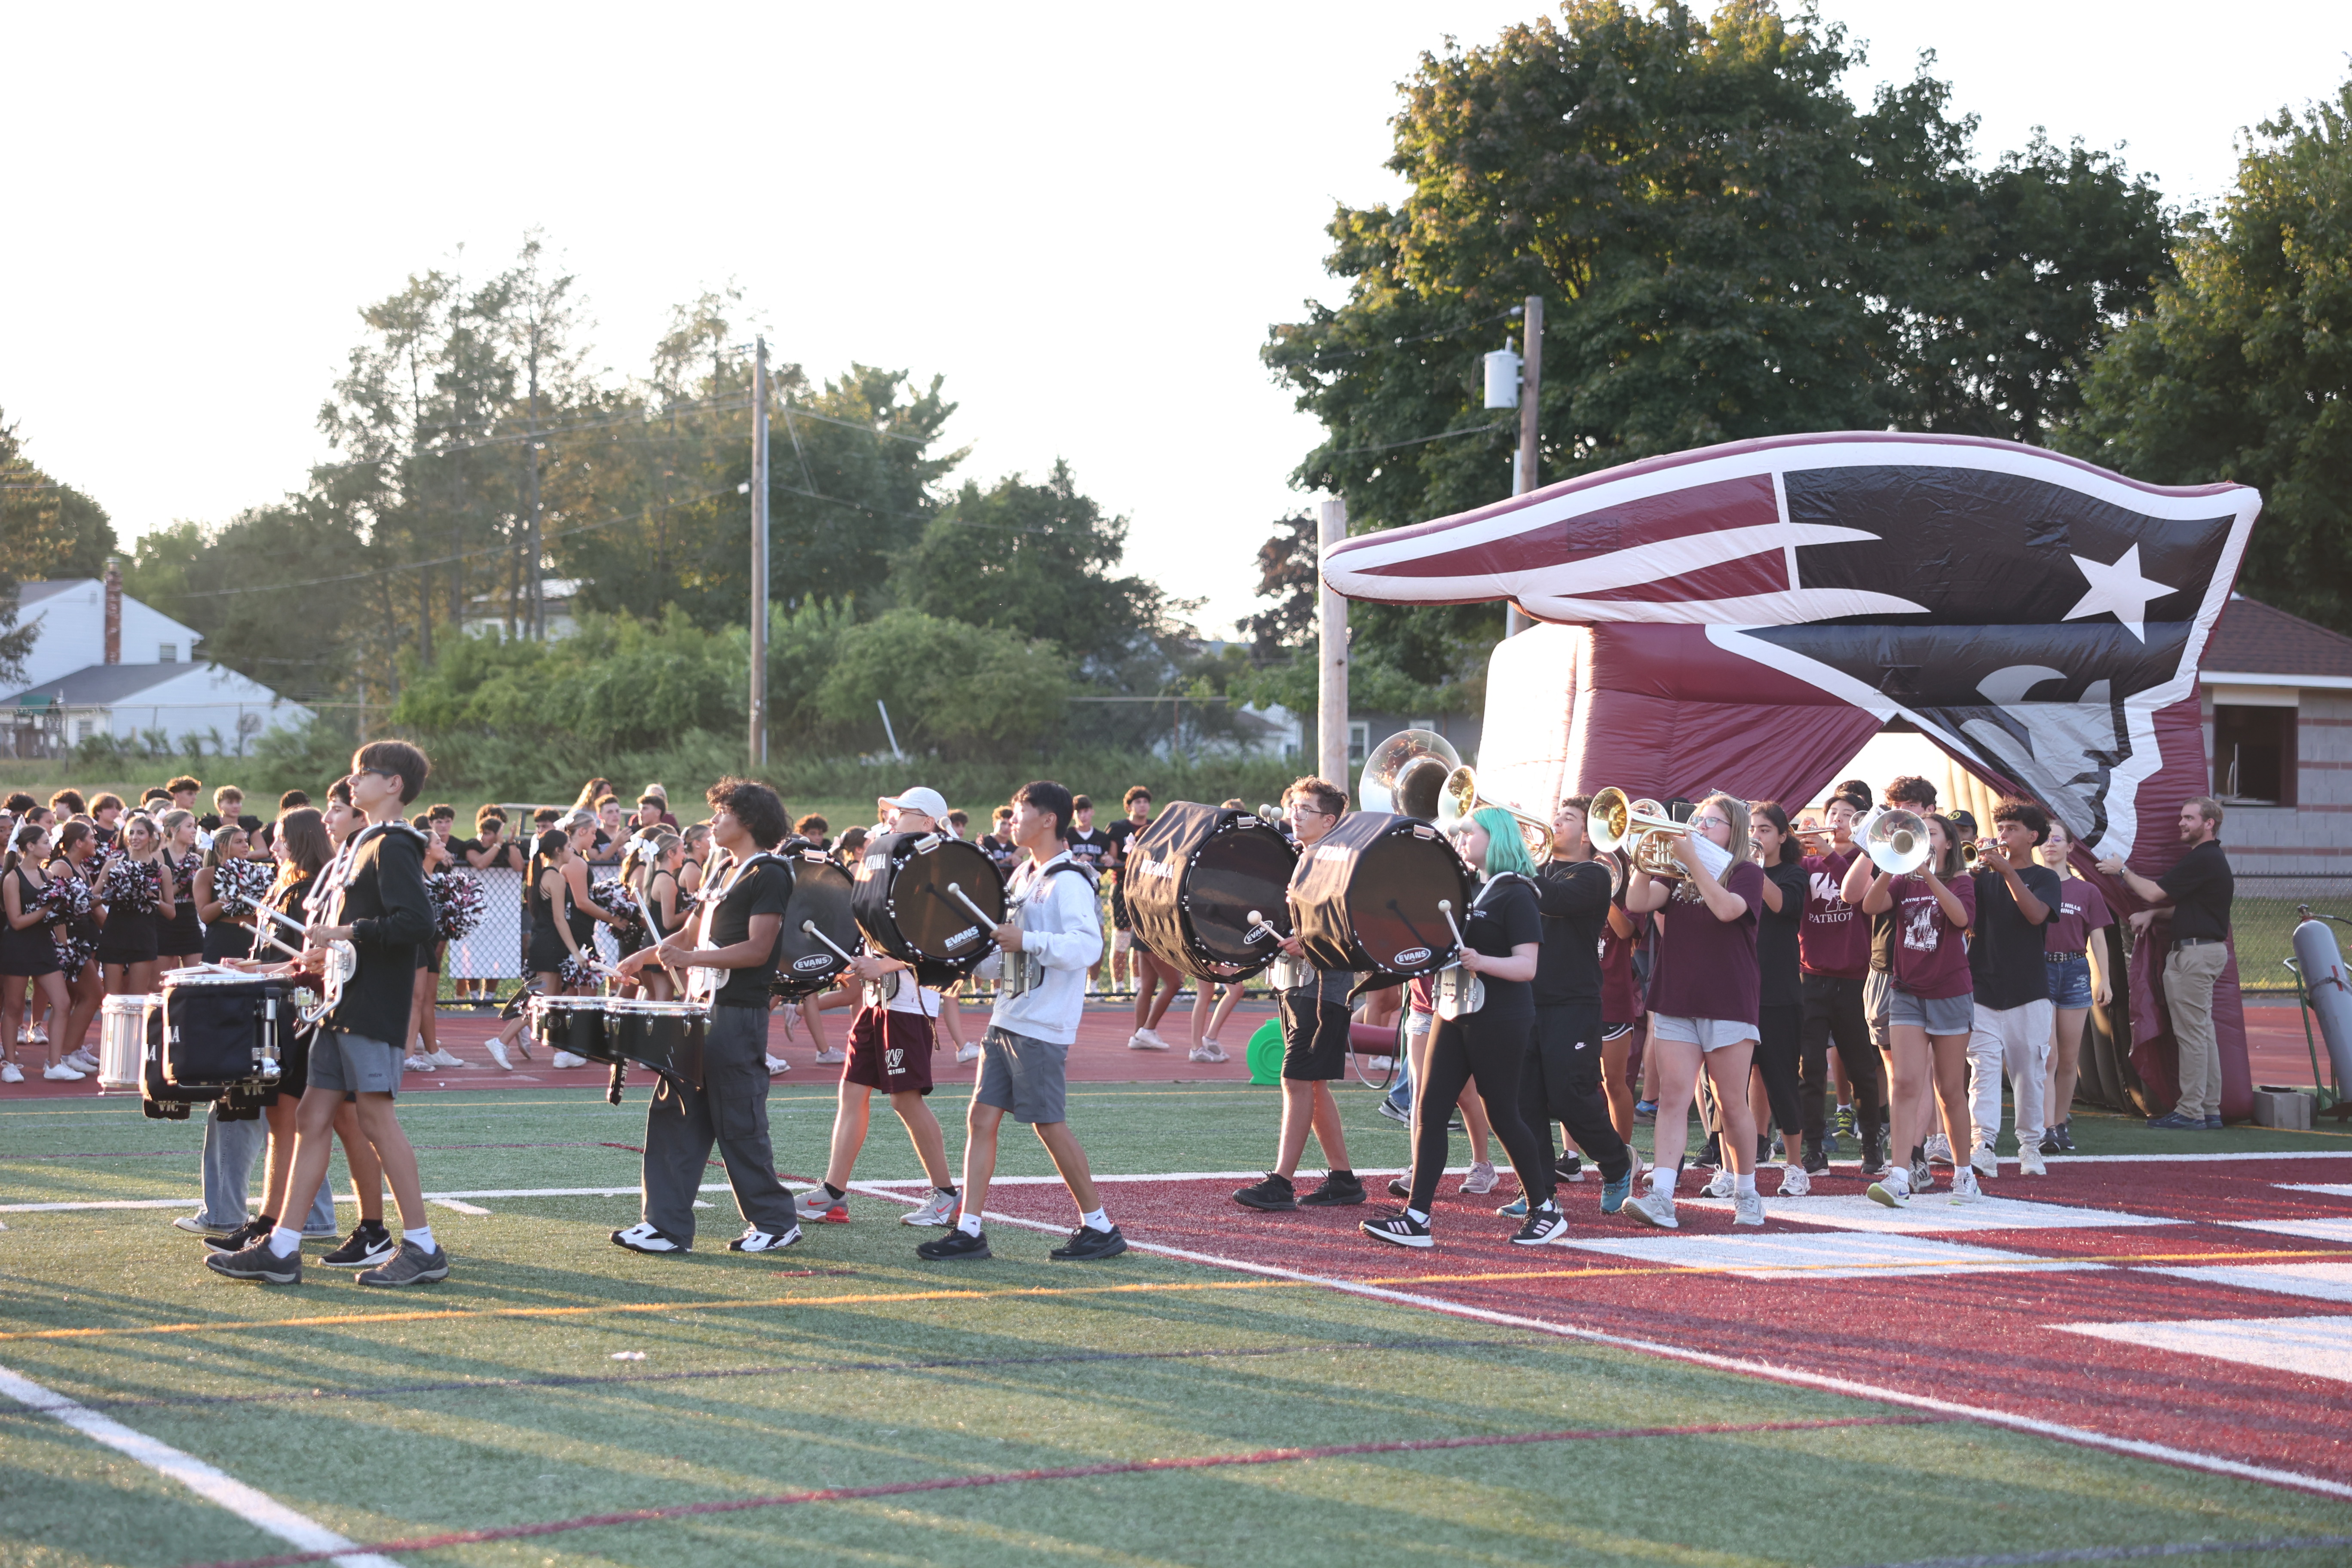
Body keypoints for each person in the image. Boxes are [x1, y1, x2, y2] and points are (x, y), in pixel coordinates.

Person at [207, 741, 446, 1287]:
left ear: (394, 786)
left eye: (365, 774)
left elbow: (416, 925)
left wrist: (344, 934)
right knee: (312, 1117)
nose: (352, 781)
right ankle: (283, 1247)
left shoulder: (395, 844)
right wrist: (327, 953)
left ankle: (423, 1246)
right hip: (340, 1005)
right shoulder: (364, 843)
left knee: (377, 1120)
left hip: (369, 1008)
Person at [919, 780, 1125, 1262]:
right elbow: (1002, 950)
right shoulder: (1022, 878)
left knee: (1049, 1124)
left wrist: (1027, 943)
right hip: (1009, 1017)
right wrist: (959, 963)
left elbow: (1088, 946)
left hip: (1042, 1024)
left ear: (1048, 818)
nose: (1012, 821)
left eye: (1019, 812)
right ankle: (969, 1230)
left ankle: (1100, 1226)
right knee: (981, 1118)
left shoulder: (1068, 879)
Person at [610, 777, 803, 1256]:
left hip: (736, 1017)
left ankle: (776, 1222)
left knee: (738, 1121)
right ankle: (666, 1226)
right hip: (697, 1013)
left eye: (723, 813)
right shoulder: (720, 871)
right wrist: (643, 958)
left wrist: (690, 960)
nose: (714, 821)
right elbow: (690, 937)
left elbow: (759, 951)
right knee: (673, 1114)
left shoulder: (770, 873)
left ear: (750, 821)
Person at [1363, 804, 1563, 1248]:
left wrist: (1481, 961)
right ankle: (1417, 1217)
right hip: (1451, 1010)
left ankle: (1545, 1208)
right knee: (1429, 1110)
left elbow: (1527, 966)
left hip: (1500, 1016)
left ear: (1497, 839)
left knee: (1503, 1115)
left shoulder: (1517, 893)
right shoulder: (1469, 888)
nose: (1461, 838)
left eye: (1470, 832)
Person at [786, 790, 962, 1231]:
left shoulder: (936, 866)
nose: (889, 817)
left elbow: (938, 938)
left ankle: (945, 1197)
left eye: (900, 812)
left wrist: (882, 963)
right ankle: (833, 1194)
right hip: (877, 1000)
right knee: (851, 1093)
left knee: (905, 1100)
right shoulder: (894, 860)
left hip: (908, 1002)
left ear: (928, 823)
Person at [1619, 793, 1769, 1230]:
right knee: (1672, 1098)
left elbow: (1727, 910)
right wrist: (1645, 859)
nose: (1700, 827)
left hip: (1728, 1000)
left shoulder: (1746, 873)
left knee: (1731, 1104)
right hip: (1676, 998)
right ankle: (1662, 1195)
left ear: (1734, 831)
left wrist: (1694, 863)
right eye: (1699, 820)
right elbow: (1638, 901)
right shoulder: (1677, 871)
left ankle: (1746, 1190)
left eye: (1713, 822)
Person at [1233, 777, 1365, 1214]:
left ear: (1329, 820)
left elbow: (1355, 927)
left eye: (1305, 809)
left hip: (1324, 987)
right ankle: (1343, 1179)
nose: (1295, 813)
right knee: (1312, 1082)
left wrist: (1310, 943)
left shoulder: (1341, 863)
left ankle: (1281, 1183)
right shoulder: (1302, 858)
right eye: (1294, 805)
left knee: (1294, 1078)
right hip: (1295, 982)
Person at [1505, 795, 1635, 1218]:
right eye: (1556, 815)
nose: (1556, 821)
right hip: (1526, 1001)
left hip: (1573, 1004)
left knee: (1570, 1097)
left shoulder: (1595, 875)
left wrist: (1514, 859)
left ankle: (1617, 1164)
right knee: (1525, 1104)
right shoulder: (1534, 871)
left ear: (1589, 832)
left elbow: (1554, 900)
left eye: (1568, 818)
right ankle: (1539, 1193)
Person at [1858, 813, 1978, 1207]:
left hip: (1949, 993)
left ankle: (1964, 1175)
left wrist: (1928, 876)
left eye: (1932, 834)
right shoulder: (1901, 880)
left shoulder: (1961, 882)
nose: (1923, 839)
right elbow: (1870, 905)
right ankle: (1898, 1176)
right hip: (1907, 991)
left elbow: (1961, 919)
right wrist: (1889, 866)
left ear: (1946, 845)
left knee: (1949, 1090)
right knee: (1905, 1084)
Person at [2098, 796, 2234, 1130]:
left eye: (2189, 818)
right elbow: (2189, 908)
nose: (2181, 823)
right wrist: (2154, 915)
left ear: (2209, 823)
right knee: (2203, 1034)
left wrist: (2122, 871)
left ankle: (2190, 1112)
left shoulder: (2204, 857)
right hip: (2205, 952)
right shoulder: (2211, 859)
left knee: (2191, 1036)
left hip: (2194, 956)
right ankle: (2209, 1109)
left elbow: (2154, 892)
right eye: (2181, 817)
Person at [1965, 799, 2061, 1179]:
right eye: (2000, 828)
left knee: (2029, 1073)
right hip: (1981, 989)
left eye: (2011, 829)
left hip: (2029, 991)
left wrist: (2006, 871)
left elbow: (2037, 915)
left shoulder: (2045, 878)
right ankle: (1983, 1145)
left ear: (2032, 836)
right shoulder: (1981, 876)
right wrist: (1970, 875)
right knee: (1982, 1072)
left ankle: (2030, 1148)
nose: (2002, 835)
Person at [1796, 787, 1887, 1177]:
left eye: (1848, 815)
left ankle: (1871, 1144)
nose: (1837, 821)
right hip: (1811, 977)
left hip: (1855, 979)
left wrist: (1830, 853)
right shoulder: (1806, 864)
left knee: (1861, 1068)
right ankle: (1813, 1147)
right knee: (1810, 1068)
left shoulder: (1872, 861)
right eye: (1833, 813)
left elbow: (1854, 897)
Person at [1748, 802, 1813, 1195]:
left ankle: (1795, 1167)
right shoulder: (1732, 873)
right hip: (1736, 991)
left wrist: (1751, 864)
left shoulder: (1793, 874)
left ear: (1783, 836)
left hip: (1778, 993)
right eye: (1752, 828)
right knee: (1728, 1087)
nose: (1757, 835)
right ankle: (1731, 1170)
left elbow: (1782, 905)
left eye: (1765, 830)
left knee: (1782, 1081)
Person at [2038, 820, 2111, 1153]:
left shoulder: (2087, 891)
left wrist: (2104, 978)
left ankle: (2061, 1122)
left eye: (2058, 839)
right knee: (2048, 1056)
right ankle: (2046, 1128)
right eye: (2046, 839)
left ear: (2071, 847)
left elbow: (2098, 938)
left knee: (2069, 1059)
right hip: (2039, 970)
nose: (2050, 845)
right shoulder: (2031, 883)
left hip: (2075, 970)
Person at [0, 821, 72, 1085]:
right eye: (44, 842)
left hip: (43, 946)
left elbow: (58, 918)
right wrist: (48, 909)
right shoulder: (11, 879)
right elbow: (17, 921)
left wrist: (65, 945)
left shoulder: (48, 877)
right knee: (14, 1006)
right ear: (30, 847)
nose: (49, 846)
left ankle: (54, 1064)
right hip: (17, 948)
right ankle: (9, 1063)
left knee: (62, 1003)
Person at [95, 812, 174, 999]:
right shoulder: (113, 865)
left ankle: (138, 1030)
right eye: (131, 833)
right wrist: (109, 895)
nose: (134, 838)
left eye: (140, 833)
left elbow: (171, 913)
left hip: (143, 935)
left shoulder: (162, 870)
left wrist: (151, 896)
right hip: (114, 933)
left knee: (138, 998)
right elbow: (91, 900)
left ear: (151, 837)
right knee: (112, 999)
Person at [1104, 786, 1154, 994]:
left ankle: (1137, 985)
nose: (1142, 806)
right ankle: (1119, 987)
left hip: (1147, 890)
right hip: (1123, 888)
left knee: (1141, 939)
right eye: (1138, 802)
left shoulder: (1155, 827)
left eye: (1145, 802)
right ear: (1129, 806)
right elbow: (1112, 858)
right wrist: (1130, 864)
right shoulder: (1118, 828)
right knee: (1122, 938)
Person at [156, 809, 206, 971]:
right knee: (160, 983)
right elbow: (157, 896)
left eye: (194, 826)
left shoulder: (196, 859)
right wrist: (181, 882)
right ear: (173, 830)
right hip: (164, 923)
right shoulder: (159, 857)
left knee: (197, 977)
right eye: (189, 826)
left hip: (190, 921)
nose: (194, 831)